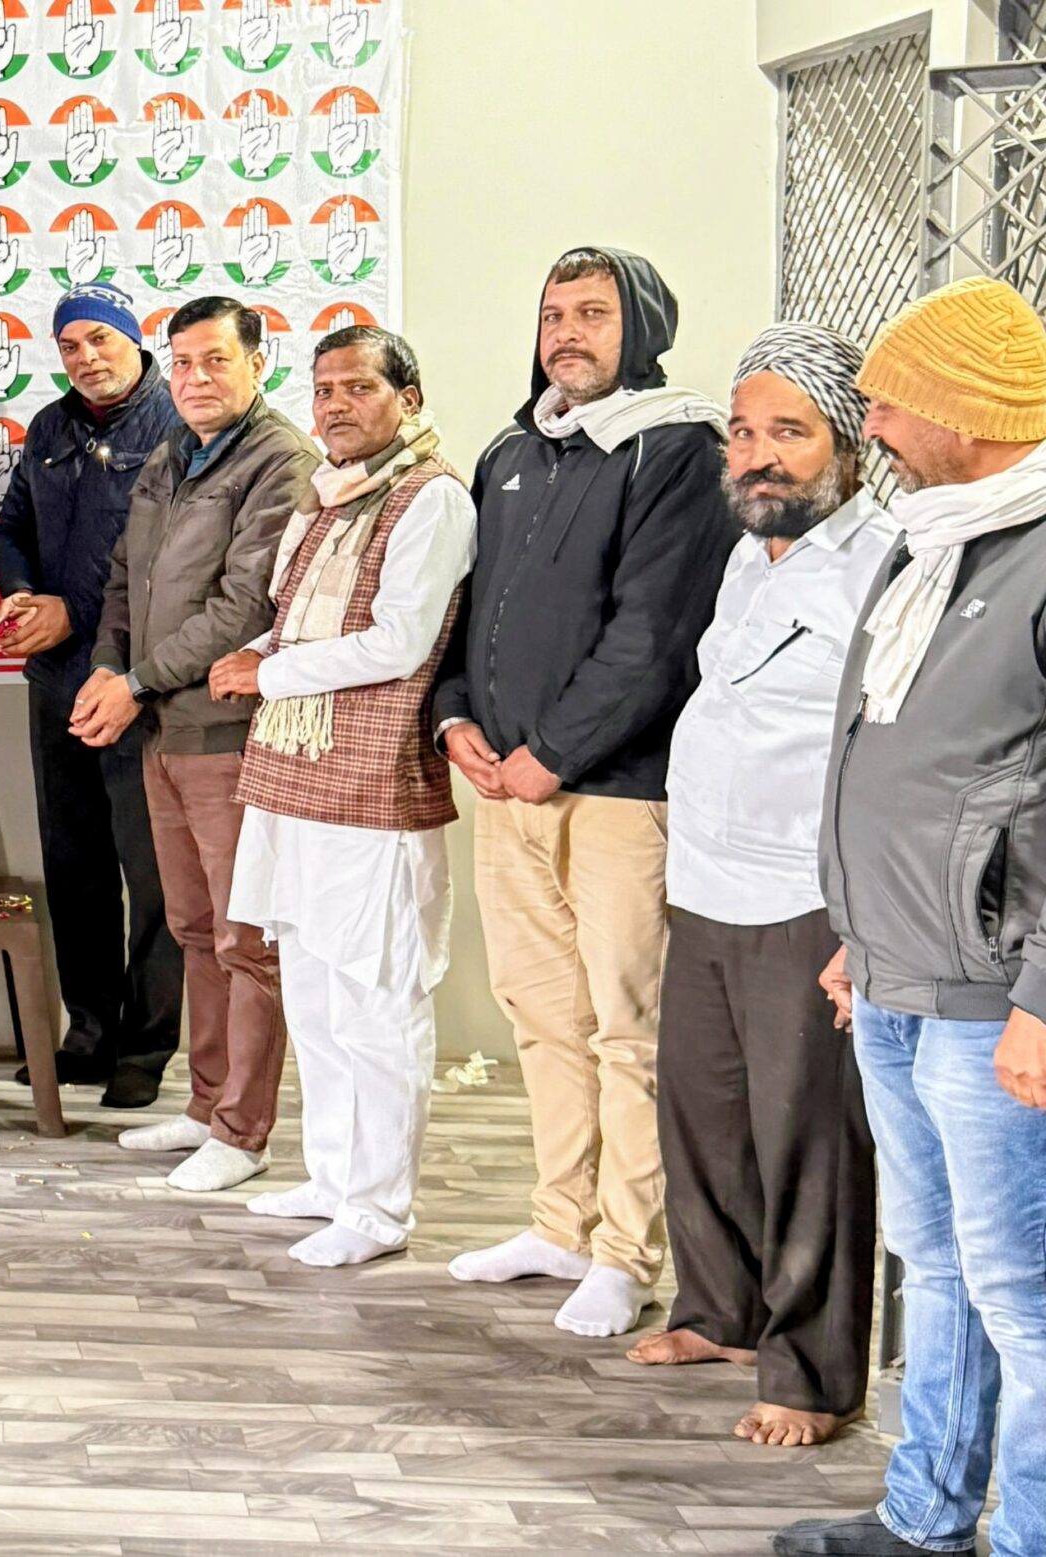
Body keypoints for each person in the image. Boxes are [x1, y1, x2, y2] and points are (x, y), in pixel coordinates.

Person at [775, 279, 1046, 1557]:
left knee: (1021, 1293)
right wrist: (863, 937)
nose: (870, 423)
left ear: (965, 410)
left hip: (997, 1001)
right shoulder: (927, 540)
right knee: (932, 1268)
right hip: (897, 976)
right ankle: (925, 1518)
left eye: (888, 401)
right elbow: (900, 769)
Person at [436, 246, 735, 1339]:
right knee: (543, 1018)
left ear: (641, 326)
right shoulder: (513, 450)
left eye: (593, 313)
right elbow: (473, 611)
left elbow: (654, 636)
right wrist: (454, 718)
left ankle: (624, 1255)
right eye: (553, 313)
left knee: (626, 1030)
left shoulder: (679, 447)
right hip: (506, 786)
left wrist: (553, 754)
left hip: (616, 792)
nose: (566, 332)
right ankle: (559, 1226)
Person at [630, 324, 891, 1450]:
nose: (757, 455)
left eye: (789, 430)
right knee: (704, 1115)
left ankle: (814, 1378)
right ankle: (722, 1313)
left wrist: (859, 915)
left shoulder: (886, 562)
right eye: (741, 433)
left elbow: (884, 749)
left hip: (804, 892)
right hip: (704, 879)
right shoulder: (751, 553)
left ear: (850, 445)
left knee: (807, 1141)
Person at [210, 325, 475, 1266]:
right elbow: (293, 621)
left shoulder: (430, 497)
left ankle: (378, 1209)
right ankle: (331, 1177)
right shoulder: (330, 496)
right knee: (315, 989)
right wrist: (262, 661)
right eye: (323, 389)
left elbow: (401, 642)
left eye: (359, 387)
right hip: (295, 772)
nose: (335, 406)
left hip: (372, 779)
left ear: (408, 397)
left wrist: (269, 673)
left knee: (376, 995)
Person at [75, 295, 317, 1194]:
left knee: (244, 936)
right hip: (161, 732)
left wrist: (134, 680)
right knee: (193, 927)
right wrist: (110, 666)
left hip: (226, 734)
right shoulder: (170, 453)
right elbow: (123, 578)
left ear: (257, 362)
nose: (196, 378)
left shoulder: (280, 460)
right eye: (181, 363)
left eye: (216, 359)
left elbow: (245, 606)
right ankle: (206, 1105)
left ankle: (244, 1130)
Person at [0, 282, 184, 1109]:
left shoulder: (177, 426)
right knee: (73, 866)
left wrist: (74, 610)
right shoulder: (49, 428)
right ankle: (90, 1032)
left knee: (154, 876)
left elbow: (168, 563)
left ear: (135, 340)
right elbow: (14, 526)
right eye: (69, 346)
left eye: (100, 339)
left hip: (138, 688)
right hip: (56, 684)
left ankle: (146, 1048)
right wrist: (21, 595)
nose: (86, 358)